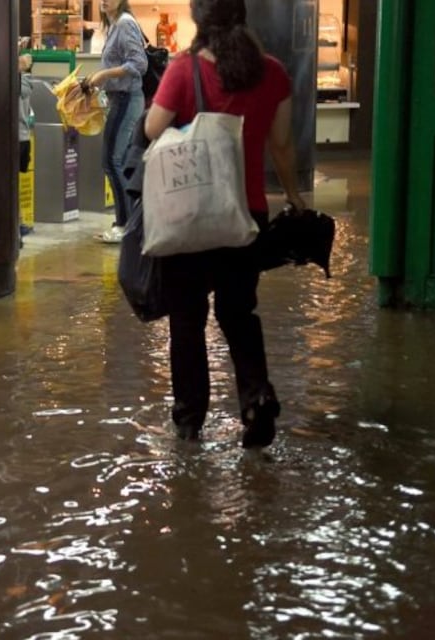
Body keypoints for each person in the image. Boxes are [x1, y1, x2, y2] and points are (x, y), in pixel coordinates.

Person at [143, 0, 306, 447]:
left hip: (189, 215)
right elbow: (282, 145)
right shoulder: (272, 72)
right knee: (239, 314)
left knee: (187, 321)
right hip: (244, 215)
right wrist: (294, 197)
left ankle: (189, 420)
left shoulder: (183, 70)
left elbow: (152, 130)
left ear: (199, 19)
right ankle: (255, 400)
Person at [85, 0, 147, 244]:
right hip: (119, 98)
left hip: (127, 98)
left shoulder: (124, 24)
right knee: (116, 161)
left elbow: (139, 64)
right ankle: (127, 223)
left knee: (113, 160)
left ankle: (125, 224)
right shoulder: (113, 26)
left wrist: (104, 74)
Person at [18, 52, 34, 238]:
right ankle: (19, 221)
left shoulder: (20, 82)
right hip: (23, 137)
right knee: (15, 183)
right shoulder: (27, 81)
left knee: (11, 183)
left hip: (17, 138)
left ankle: (17, 222)